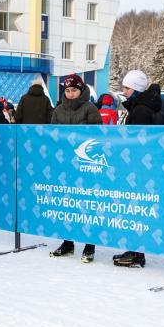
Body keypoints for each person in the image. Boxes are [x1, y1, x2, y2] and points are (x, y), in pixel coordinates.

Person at [111, 70, 163, 266]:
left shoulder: (141, 110)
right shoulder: (139, 107)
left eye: (127, 88)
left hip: (139, 167)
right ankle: (135, 251)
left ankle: (137, 252)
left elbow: (138, 142)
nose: (123, 92)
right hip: (140, 166)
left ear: (137, 89)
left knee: (136, 209)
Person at [50, 74, 102, 262]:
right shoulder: (58, 110)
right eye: (68, 90)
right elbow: (52, 135)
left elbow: (98, 136)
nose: (71, 94)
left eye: (74, 90)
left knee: (87, 205)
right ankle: (67, 242)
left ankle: (89, 246)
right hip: (65, 166)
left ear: (81, 90)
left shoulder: (90, 108)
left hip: (85, 166)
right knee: (66, 204)